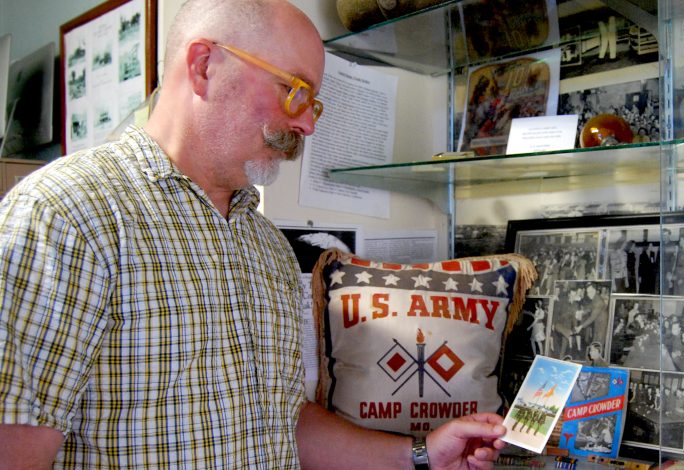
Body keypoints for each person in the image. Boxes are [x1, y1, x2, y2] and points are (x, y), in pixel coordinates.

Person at [0, 1, 507, 468]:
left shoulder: (265, 244)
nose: (307, 124)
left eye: (313, 103)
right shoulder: (64, 216)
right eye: (295, 90)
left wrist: (422, 455)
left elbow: (281, 422)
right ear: (204, 66)